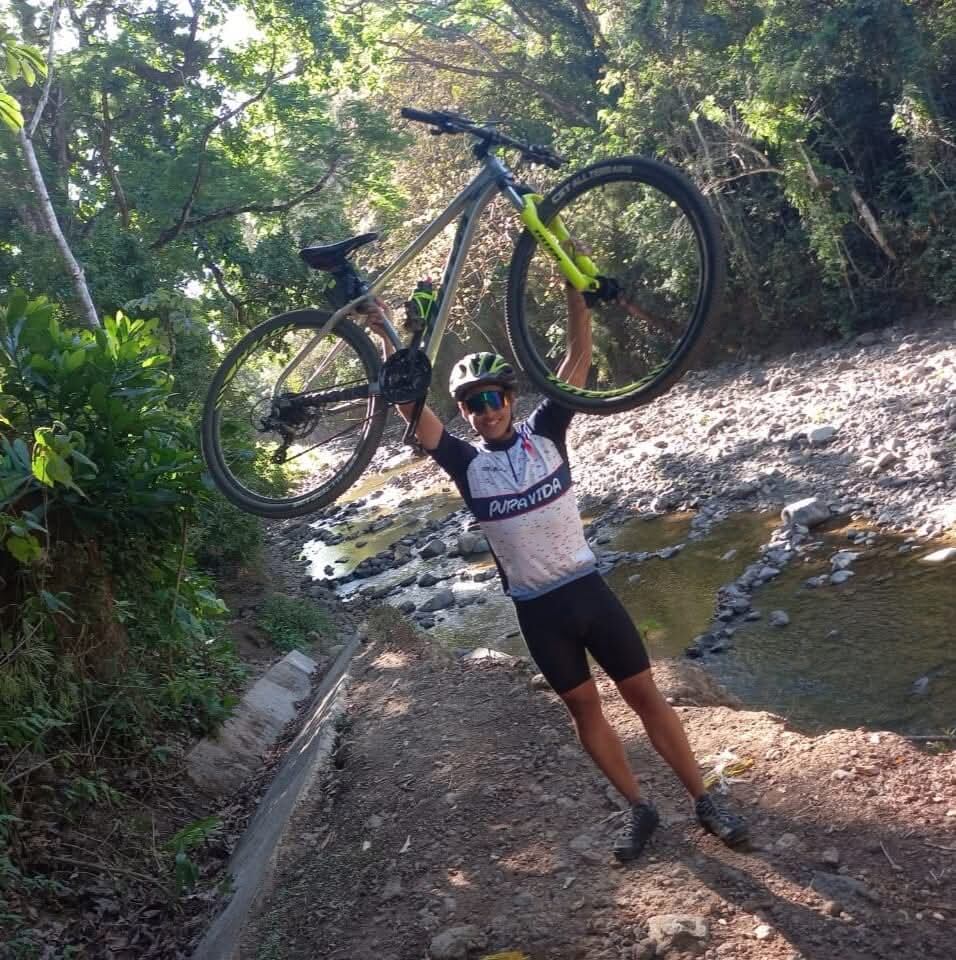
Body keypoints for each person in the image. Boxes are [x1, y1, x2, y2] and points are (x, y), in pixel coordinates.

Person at [364, 288, 747, 861]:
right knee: (584, 711)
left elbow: (576, 362)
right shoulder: (467, 465)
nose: (486, 409)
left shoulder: (547, 433)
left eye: (493, 396)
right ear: (465, 414)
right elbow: (411, 406)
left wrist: (575, 294)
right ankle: (640, 808)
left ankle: (704, 800)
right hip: (539, 613)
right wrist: (386, 331)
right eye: (472, 404)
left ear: (511, 399)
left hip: (589, 591)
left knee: (644, 694)